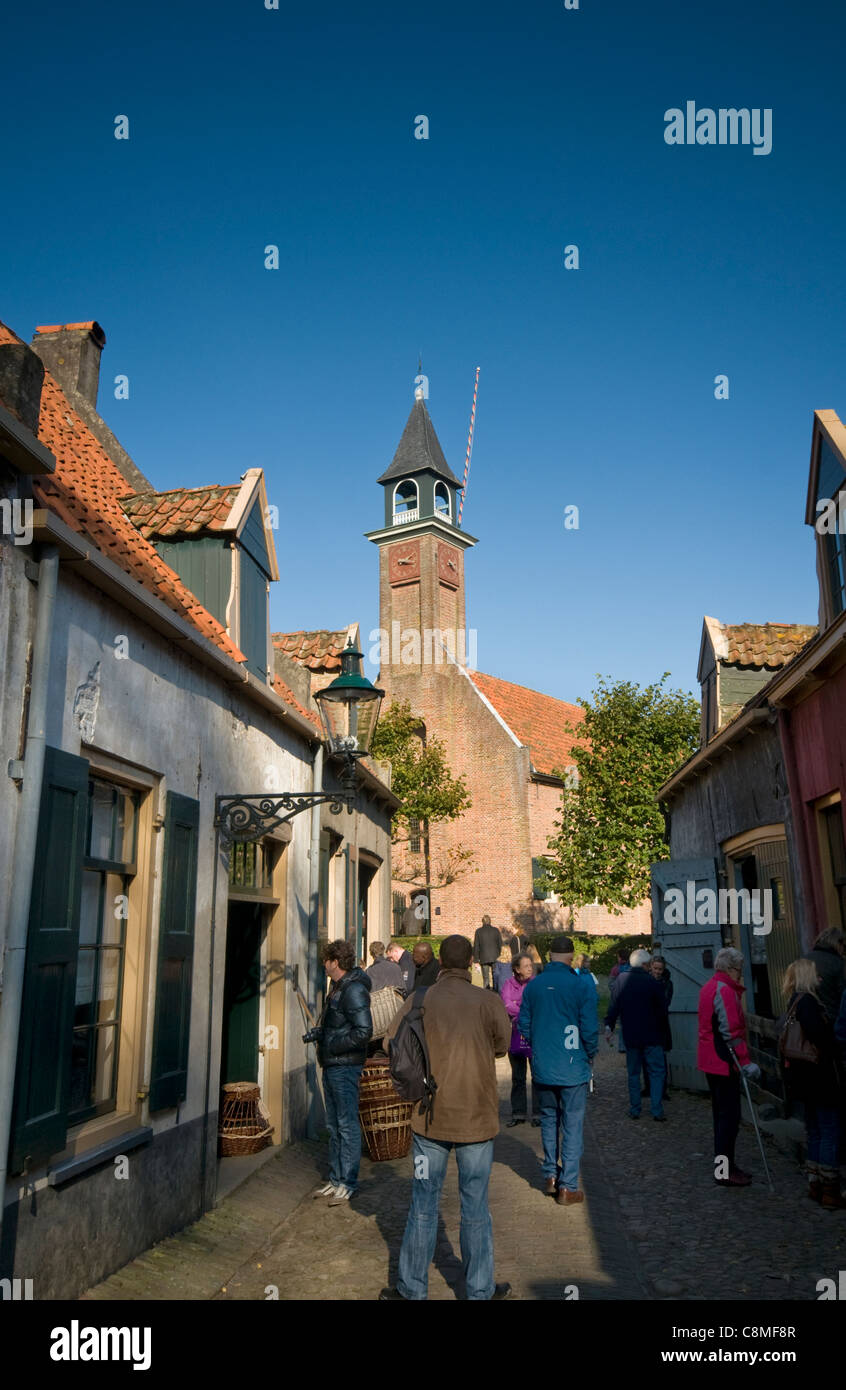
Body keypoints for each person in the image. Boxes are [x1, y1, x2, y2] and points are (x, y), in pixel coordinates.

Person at [380, 935, 513, 1301]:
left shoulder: (419, 1000)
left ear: (439, 960)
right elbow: (502, 1046)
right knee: (475, 1207)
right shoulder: (488, 1001)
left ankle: (411, 1289)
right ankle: (480, 1290)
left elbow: (390, 1044)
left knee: (423, 1203)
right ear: (471, 961)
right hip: (476, 1118)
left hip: (429, 1117)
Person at [518, 934, 598, 1203]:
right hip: (573, 1064)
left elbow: (524, 1023)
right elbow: (588, 1026)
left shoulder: (534, 986)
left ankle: (551, 1175)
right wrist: (590, 1052)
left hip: (544, 1063)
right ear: (571, 957)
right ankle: (568, 1185)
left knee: (550, 1119)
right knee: (573, 1124)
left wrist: (537, 1043)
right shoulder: (580, 985)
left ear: (549, 956)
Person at [306, 939, 373, 1206]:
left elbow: (363, 1031)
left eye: (326, 960)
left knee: (346, 1124)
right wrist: (321, 1033)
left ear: (335, 962)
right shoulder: (337, 988)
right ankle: (335, 1178)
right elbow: (340, 1024)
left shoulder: (353, 989)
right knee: (334, 1126)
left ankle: (348, 1181)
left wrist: (332, 1044)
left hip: (344, 1066)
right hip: (333, 1063)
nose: (324, 964)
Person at [781, 958, 844, 1208]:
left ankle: (815, 1182)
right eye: (815, 973)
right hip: (818, 1077)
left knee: (815, 1130)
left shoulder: (794, 1002)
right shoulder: (808, 1003)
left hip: (803, 1079)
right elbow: (821, 1038)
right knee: (827, 1129)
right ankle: (829, 1188)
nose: (820, 977)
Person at [697, 946, 759, 1188]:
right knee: (728, 1118)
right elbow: (731, 1031)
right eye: (739, 970)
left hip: (711, 1059)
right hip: (722, 1060)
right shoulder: (724, 990)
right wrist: (745, 1061)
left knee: (722, 1116)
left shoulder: (709, 986)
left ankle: (726, 1166)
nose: (740, 974)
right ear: (731, 969)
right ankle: (724, 1171)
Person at [604, 948, 669, 1121]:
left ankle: (635, 1108)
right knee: (656, 1072)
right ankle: (657, 1110)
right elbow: (663, 1011)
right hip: (653, 1035)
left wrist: (608, 1025)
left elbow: (614, 1006)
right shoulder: (653, 982)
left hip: (631, 1035)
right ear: (645, 964)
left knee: (633, 1074)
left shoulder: (621, 980)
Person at [501, 954, 538, 1127]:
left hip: (535, 1035)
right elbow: (506, 1005)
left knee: (537, 1075)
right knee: (518, 1076)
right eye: (526, 966)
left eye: (531, 965)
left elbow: (538, 1005)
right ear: (516, 969)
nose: (530, 968)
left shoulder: (536, 984)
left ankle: (538, 1113)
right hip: (515, 1035)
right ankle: (518, 1112)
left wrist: (520, 1007)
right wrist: (525, 1010)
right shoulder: (508, 984)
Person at [803, 926, 846, 1022]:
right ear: (838, 943)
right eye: (844, 945)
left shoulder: (804, 959)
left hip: (810, 1017)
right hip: (833, 1017)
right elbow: (843, 992)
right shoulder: (838, 962)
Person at [473, 914, 502, 989]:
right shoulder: (496, 930)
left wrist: (476, 960)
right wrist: (500, 955)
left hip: (484, 957)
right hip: (495, 957)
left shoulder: (478, 931)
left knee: (486, 978)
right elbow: (500, 944)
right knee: (495, 976)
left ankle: (487, 993)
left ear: (482, 922)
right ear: (490, 921)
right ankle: (496, 992)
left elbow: (476, 946)